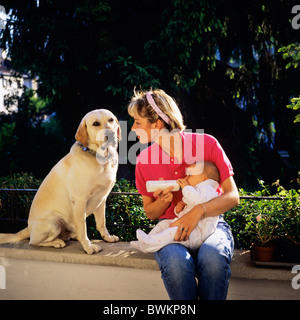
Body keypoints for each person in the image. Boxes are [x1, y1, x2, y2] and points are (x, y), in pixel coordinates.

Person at [128, 89, 239, 300]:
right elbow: (151, 213)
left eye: (137, 122)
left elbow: (233, 196)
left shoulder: (207, 144)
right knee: (177, 265)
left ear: (157, 124)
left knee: (213, 258)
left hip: (211, 223)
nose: (132, 128)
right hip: (171, 227)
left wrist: (198, 211)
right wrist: (163, 201)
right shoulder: (143, 160)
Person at [131, 161, 221, 252]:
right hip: (183, 224)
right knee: (163, 224)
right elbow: (188, 208)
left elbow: (196, 200)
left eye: (190, 175)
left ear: (204, 180)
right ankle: (146, 241)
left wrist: (186, 187)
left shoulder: (209, 190)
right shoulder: (196, 190)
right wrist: (178, 209)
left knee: (172, 232)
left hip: (195, 233)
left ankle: (150, 243)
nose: (186, 178)